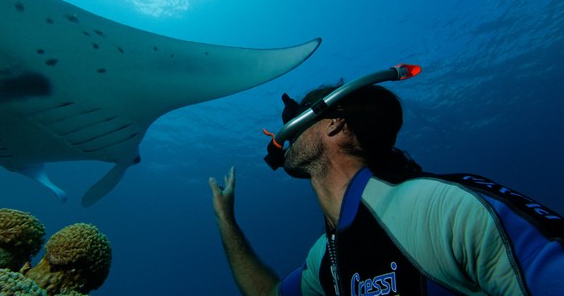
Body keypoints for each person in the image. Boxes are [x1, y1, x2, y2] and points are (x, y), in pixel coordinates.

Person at [209, 70, 564, 296]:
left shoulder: (441, 209)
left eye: (301, 115)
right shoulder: (325, 258)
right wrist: (227, 220)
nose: (288, 131)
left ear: (334, 124)